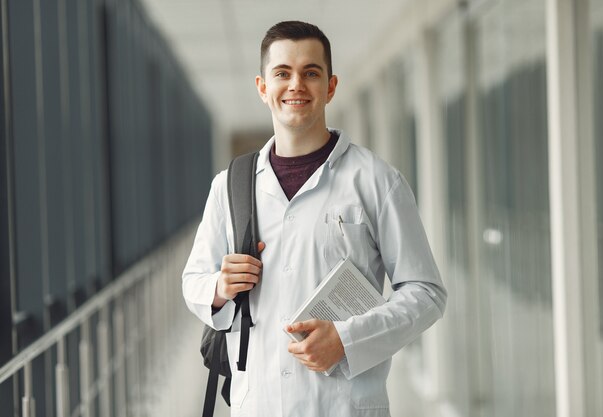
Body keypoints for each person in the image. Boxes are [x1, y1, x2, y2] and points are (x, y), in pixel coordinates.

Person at [182, 20, 447, 417]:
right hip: (259, 406)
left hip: (345, 406)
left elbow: (426, 292)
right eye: (282, 73)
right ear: (262, 87)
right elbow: (193, 281)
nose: (296, 85)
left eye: (310, 72)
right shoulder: (230, 186)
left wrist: (347, 339)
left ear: (331, 86)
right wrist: (220, 287)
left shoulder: (375, 180)